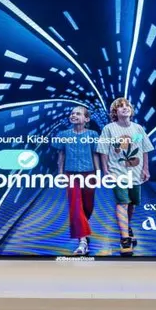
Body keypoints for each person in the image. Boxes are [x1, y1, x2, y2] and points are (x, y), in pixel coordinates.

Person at [97, 97, 153, 256]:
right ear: (115, 112)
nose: (124, 108)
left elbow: (144, 149)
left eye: (127, 105)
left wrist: (146, 169)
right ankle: (125, 239)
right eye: (120, 106)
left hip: (135, 173)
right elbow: (103, 150)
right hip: (117, 172)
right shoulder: (109, 129)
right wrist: (105, 171)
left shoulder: (138, 129)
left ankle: (126, 226)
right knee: (122, 202)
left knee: (132, 204)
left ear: (131, 110)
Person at [53, 106, 102, 255]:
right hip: (70, 173)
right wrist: (60, 173)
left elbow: (95, 154)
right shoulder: (63, 134)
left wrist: (98, 173)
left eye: (78, 113)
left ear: (86, 119)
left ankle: (83, 229)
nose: (74, 115)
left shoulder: (93, 134)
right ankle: (82, 241)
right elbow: (60, 156)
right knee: (75, 206)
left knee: (88, 206)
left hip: (89, 173)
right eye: (72, 113)